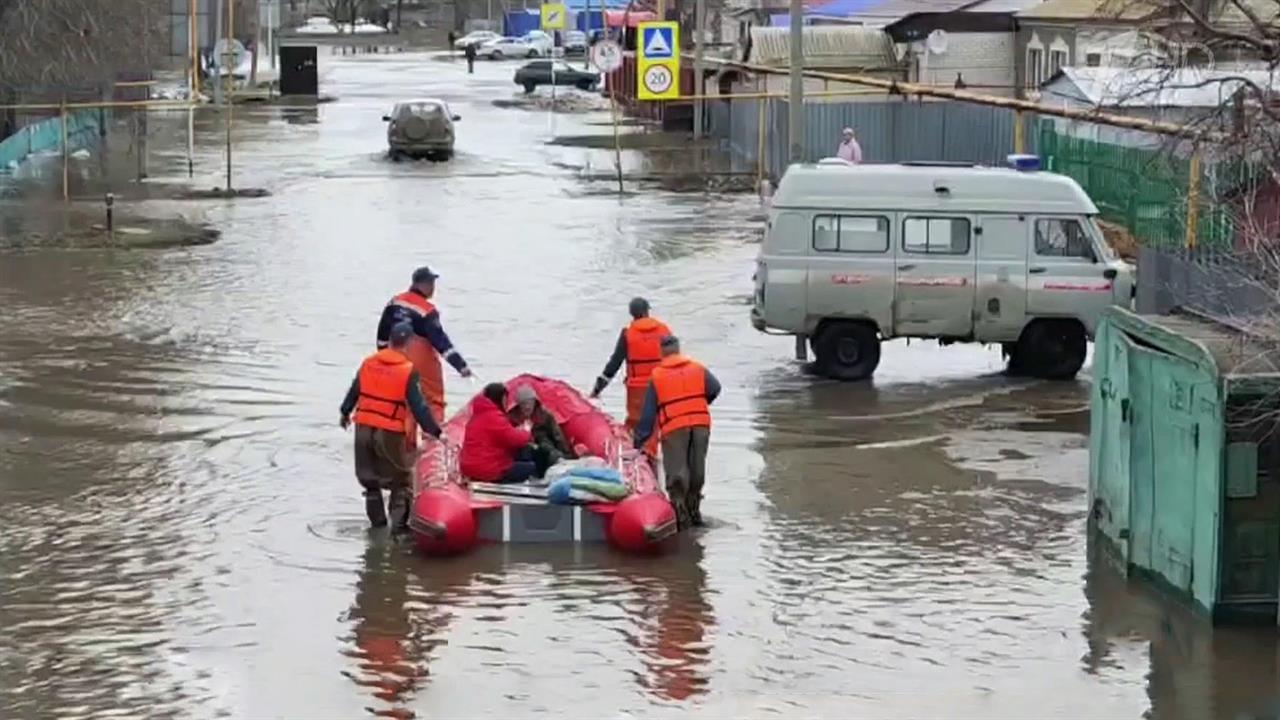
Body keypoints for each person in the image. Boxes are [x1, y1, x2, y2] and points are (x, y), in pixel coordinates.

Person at [341, 322, 443, 530]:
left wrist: (344, 412)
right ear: (408, 344)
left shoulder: (368, 363)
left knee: (369, 480)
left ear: (389, 341)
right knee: (402, 480)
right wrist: (435, 431)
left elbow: (354, 390)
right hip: (389, 432)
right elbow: (419, 406)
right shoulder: (407, 371)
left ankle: (377, 527)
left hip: (363, 427)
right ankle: (398, 531)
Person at [634, 336, 720, 529]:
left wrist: (638, 443)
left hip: (674, 428)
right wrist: (700, 403)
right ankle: (695, 512)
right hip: (700, 425)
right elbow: (715, 388)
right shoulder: (697, 368)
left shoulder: (657, 376)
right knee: (697, 469)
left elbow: (647, 416)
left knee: (677, 474)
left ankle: (681, 519)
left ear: (661, 352)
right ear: (678, 349)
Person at [376, 266, 472, 427]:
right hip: (421, 361)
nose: (434, 289)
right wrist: (461, 366)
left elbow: (382, 333)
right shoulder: (427, 311)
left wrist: (384, 356)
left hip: (396, 356)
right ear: (424, 285)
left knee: (403, 400)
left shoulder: (394, 302)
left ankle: (405, 443)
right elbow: (441, 342)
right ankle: (434, 440)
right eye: (432, 284)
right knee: (432, 400)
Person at [591, 297, 672, 430]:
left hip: (636, 389)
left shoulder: (628, 334)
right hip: (660, 385)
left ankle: (633, 449)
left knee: (635, 425)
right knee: (660, 424)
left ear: (631, 314)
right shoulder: (664, 330)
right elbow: (674, 358)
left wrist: (597, 389)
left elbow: (614, 364)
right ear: (647, 312)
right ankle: (654, 449)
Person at [460, 383, 536, 484]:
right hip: (488, 470)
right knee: (531, 466)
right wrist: (526, 430)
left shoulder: (476, 416)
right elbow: (515, 439)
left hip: (470, 467)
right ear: (502, 399)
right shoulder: (495, 417)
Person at [507, 385, 575, 471]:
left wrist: (567, 454)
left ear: (535, 402)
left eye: (530, 402)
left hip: (543, 445)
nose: (527, 406)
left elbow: (557, 435)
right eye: (524, 404)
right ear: (518, 405)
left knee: (547, 448)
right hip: (522, 449)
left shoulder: (545, 416)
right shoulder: (511, 418)